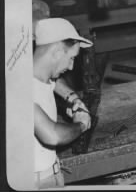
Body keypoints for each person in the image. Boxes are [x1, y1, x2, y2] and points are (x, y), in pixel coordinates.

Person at [33, 17, 93, 189]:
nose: (72, 66)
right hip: (37, 182)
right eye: (72, 58)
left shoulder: (38, 75)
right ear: (58, 51)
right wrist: (81, 124)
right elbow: (52, 135)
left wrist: (73, 98)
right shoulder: (20, 89)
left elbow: (55, 83)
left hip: (51, 170)